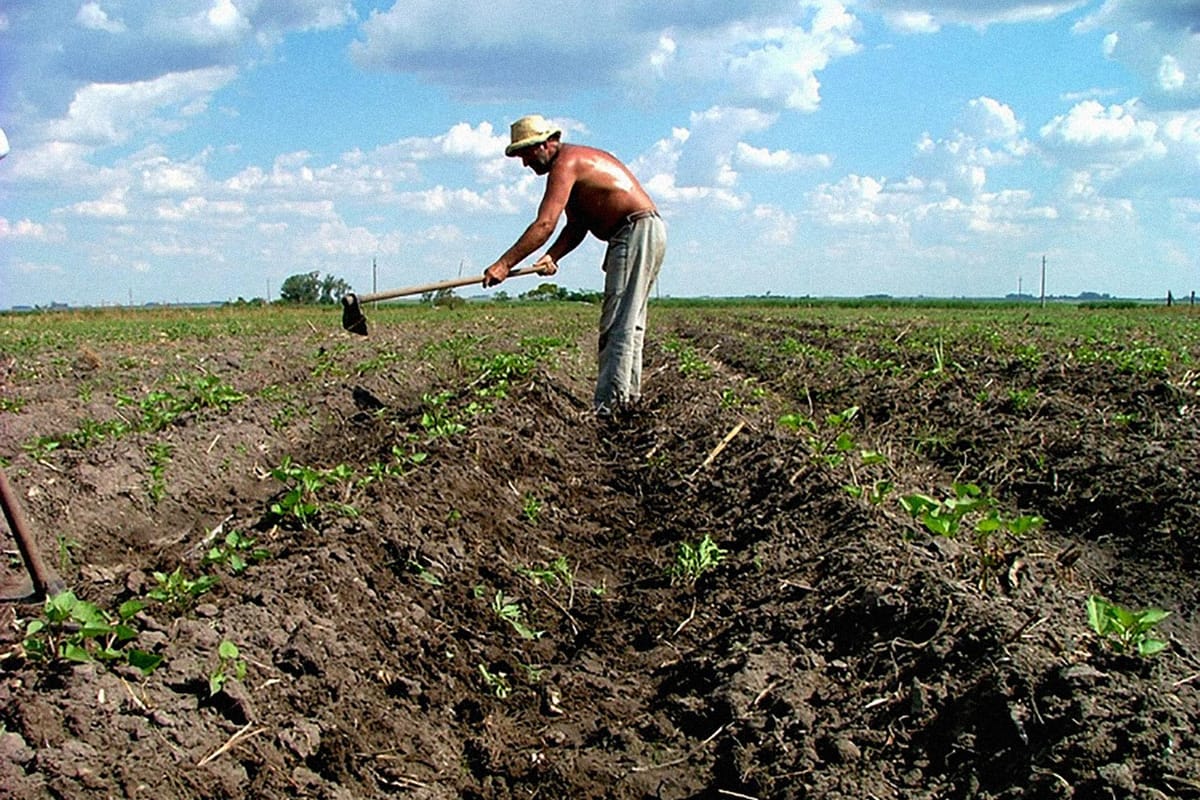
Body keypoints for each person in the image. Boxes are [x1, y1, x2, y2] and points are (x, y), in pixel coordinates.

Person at [483, 114, 666, 415]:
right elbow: (576, 225)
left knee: (618, 324)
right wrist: (553, 256)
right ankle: (625, 401)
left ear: (548, 143)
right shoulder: (574, 163)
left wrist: (504, 264)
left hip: (634, 231)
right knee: (628, 323)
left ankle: (610, 410)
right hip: (641, 230)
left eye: (527, 153)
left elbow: (544, 224)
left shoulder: (566, 163)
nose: (525, 163)